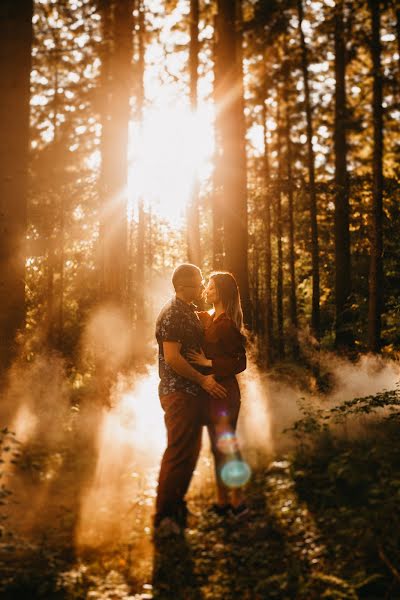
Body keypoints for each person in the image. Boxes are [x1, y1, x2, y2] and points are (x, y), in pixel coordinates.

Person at [154, 263, 227, 535]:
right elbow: (172, 358)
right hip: (179, 392)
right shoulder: (173, 313)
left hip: (193, 393)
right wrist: (203, 379)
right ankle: (164, 518)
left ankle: (177, 507)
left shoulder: (188, 313)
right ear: (183, 286)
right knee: (179, 451)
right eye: (197, 283)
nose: (200, 288)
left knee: (191, 452)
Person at [187, 271, 249, 517]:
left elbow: (240, 362)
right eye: (207, 287)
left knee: (227, 446)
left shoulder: (226, 324)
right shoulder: (210, 318)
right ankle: (222, 502)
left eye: (211, 288)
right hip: (212, 391)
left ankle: (238, 501)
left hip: (225, 392)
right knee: (216, 447)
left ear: (221, 292)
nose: (206, 291)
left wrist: (209, 362)